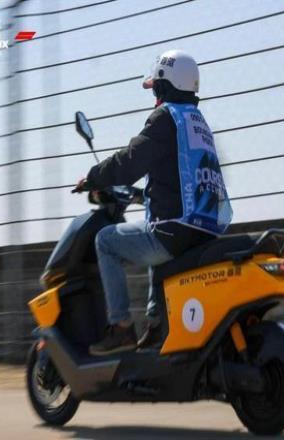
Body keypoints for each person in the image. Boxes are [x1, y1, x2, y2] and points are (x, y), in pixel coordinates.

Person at [74, 49, 233, 356]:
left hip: (175, 231)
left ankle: (121, 327)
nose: (154, 95)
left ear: (162, 85)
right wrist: (139, 196)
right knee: (154, 233)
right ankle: (157, 324)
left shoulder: (165, 118)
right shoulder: (197, 123)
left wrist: (93, 178)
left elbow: (130, 161)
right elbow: (179, 179)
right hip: (204, 229)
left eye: (155, 88)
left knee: (106, 241)